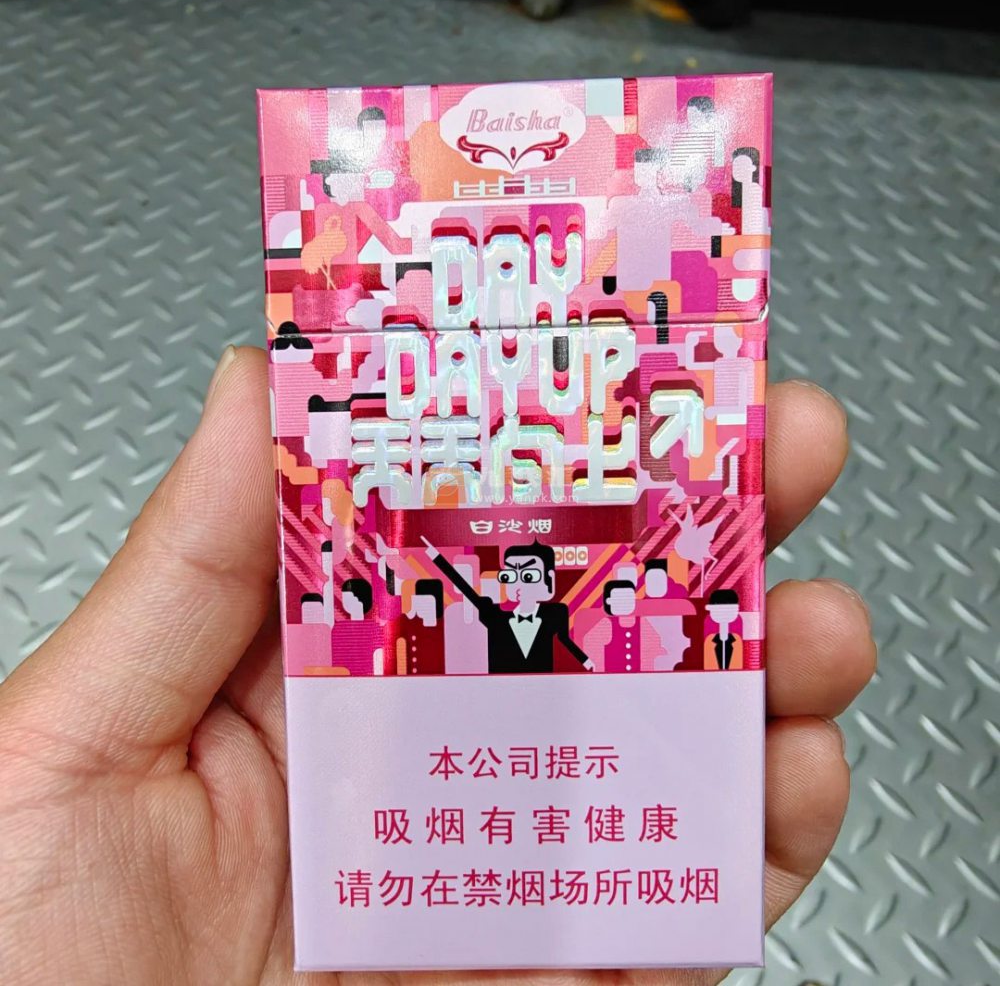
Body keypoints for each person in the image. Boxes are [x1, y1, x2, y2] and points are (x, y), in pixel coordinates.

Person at [0, 347, 875, 984]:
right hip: (454, 781)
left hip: (563, 778)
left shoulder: (564, 622)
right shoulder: (477, 614)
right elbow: (463, 589)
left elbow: (589, 629)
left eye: (531, 577)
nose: (523, 586)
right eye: (517, 578)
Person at [422, 536, 595, 673]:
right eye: (510, 576)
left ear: (548, 580)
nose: (518, 584)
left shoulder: (555, 613)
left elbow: (565, 640)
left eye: (528, 576)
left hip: (542, 691)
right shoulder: (495, 616)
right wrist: (435, 555)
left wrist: (587, 662)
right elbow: (465, 588)